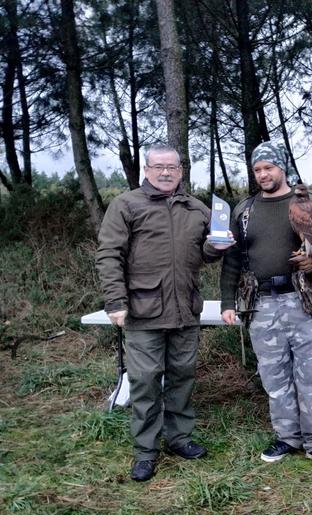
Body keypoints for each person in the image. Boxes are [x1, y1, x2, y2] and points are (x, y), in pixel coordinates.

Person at [95, 144, 234, 482]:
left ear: (181, 171)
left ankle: (179, 438)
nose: (166, 172)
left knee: (182, 377)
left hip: (186, 310)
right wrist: (115, 302)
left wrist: (216, 246)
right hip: (143, 313)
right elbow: (109, 255)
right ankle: (145, 451)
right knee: (144, 382)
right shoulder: (126, 205)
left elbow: (205, 254)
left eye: (172, 167)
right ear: (146, 169)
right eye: (159, 167)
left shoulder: (196, 208)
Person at [220, 141, 312, 471]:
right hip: (260, 304)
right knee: (274, 376)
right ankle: (287, 437)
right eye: (257, 169)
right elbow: (232, 259)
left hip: (301, 301)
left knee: (311, 374)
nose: (263, 174)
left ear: (282, 168)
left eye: (268, 168)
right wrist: (228, 301)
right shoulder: (244, 210)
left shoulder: (307, 202)